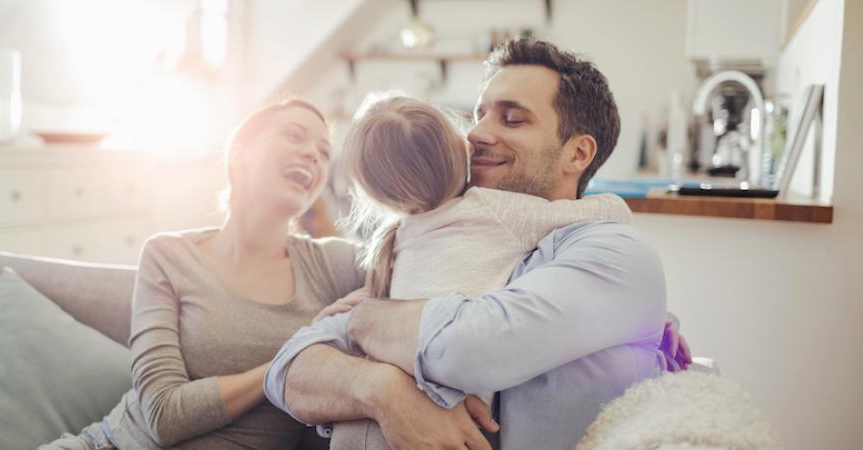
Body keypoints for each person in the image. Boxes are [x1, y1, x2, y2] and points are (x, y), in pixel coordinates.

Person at [264, 38, 691, 450]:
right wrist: (380, 388)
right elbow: (288, 370)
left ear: (577, 155)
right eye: (478, 114)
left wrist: (365, 318)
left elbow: (469, 349)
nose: (476, 134)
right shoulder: (439, 226)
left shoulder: (614, 252)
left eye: (511, 119)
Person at [41, 99, 366, 450]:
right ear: (239, 155)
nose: (313, 154)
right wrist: (288, 363)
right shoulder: (168, 255)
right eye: (294, 135)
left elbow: (416, 260)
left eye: (323, 150)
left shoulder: (334, 264)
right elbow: (163, 415)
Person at [320, 93, 637, 449]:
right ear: (461, 145)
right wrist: (617, 202)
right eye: (477, 117)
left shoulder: (398, 237)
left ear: (380, 195)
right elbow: (604, 214)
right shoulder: (492, 209)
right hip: (448, 421)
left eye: (513, 119)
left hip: (361, 427)